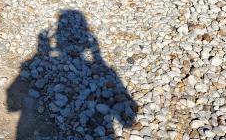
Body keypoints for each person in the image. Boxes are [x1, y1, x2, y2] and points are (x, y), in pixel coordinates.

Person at [7, 10, 137, 139]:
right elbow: (128, 121)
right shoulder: (104, 70)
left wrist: (42, 52)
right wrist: (97, 56)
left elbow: (11, 106)